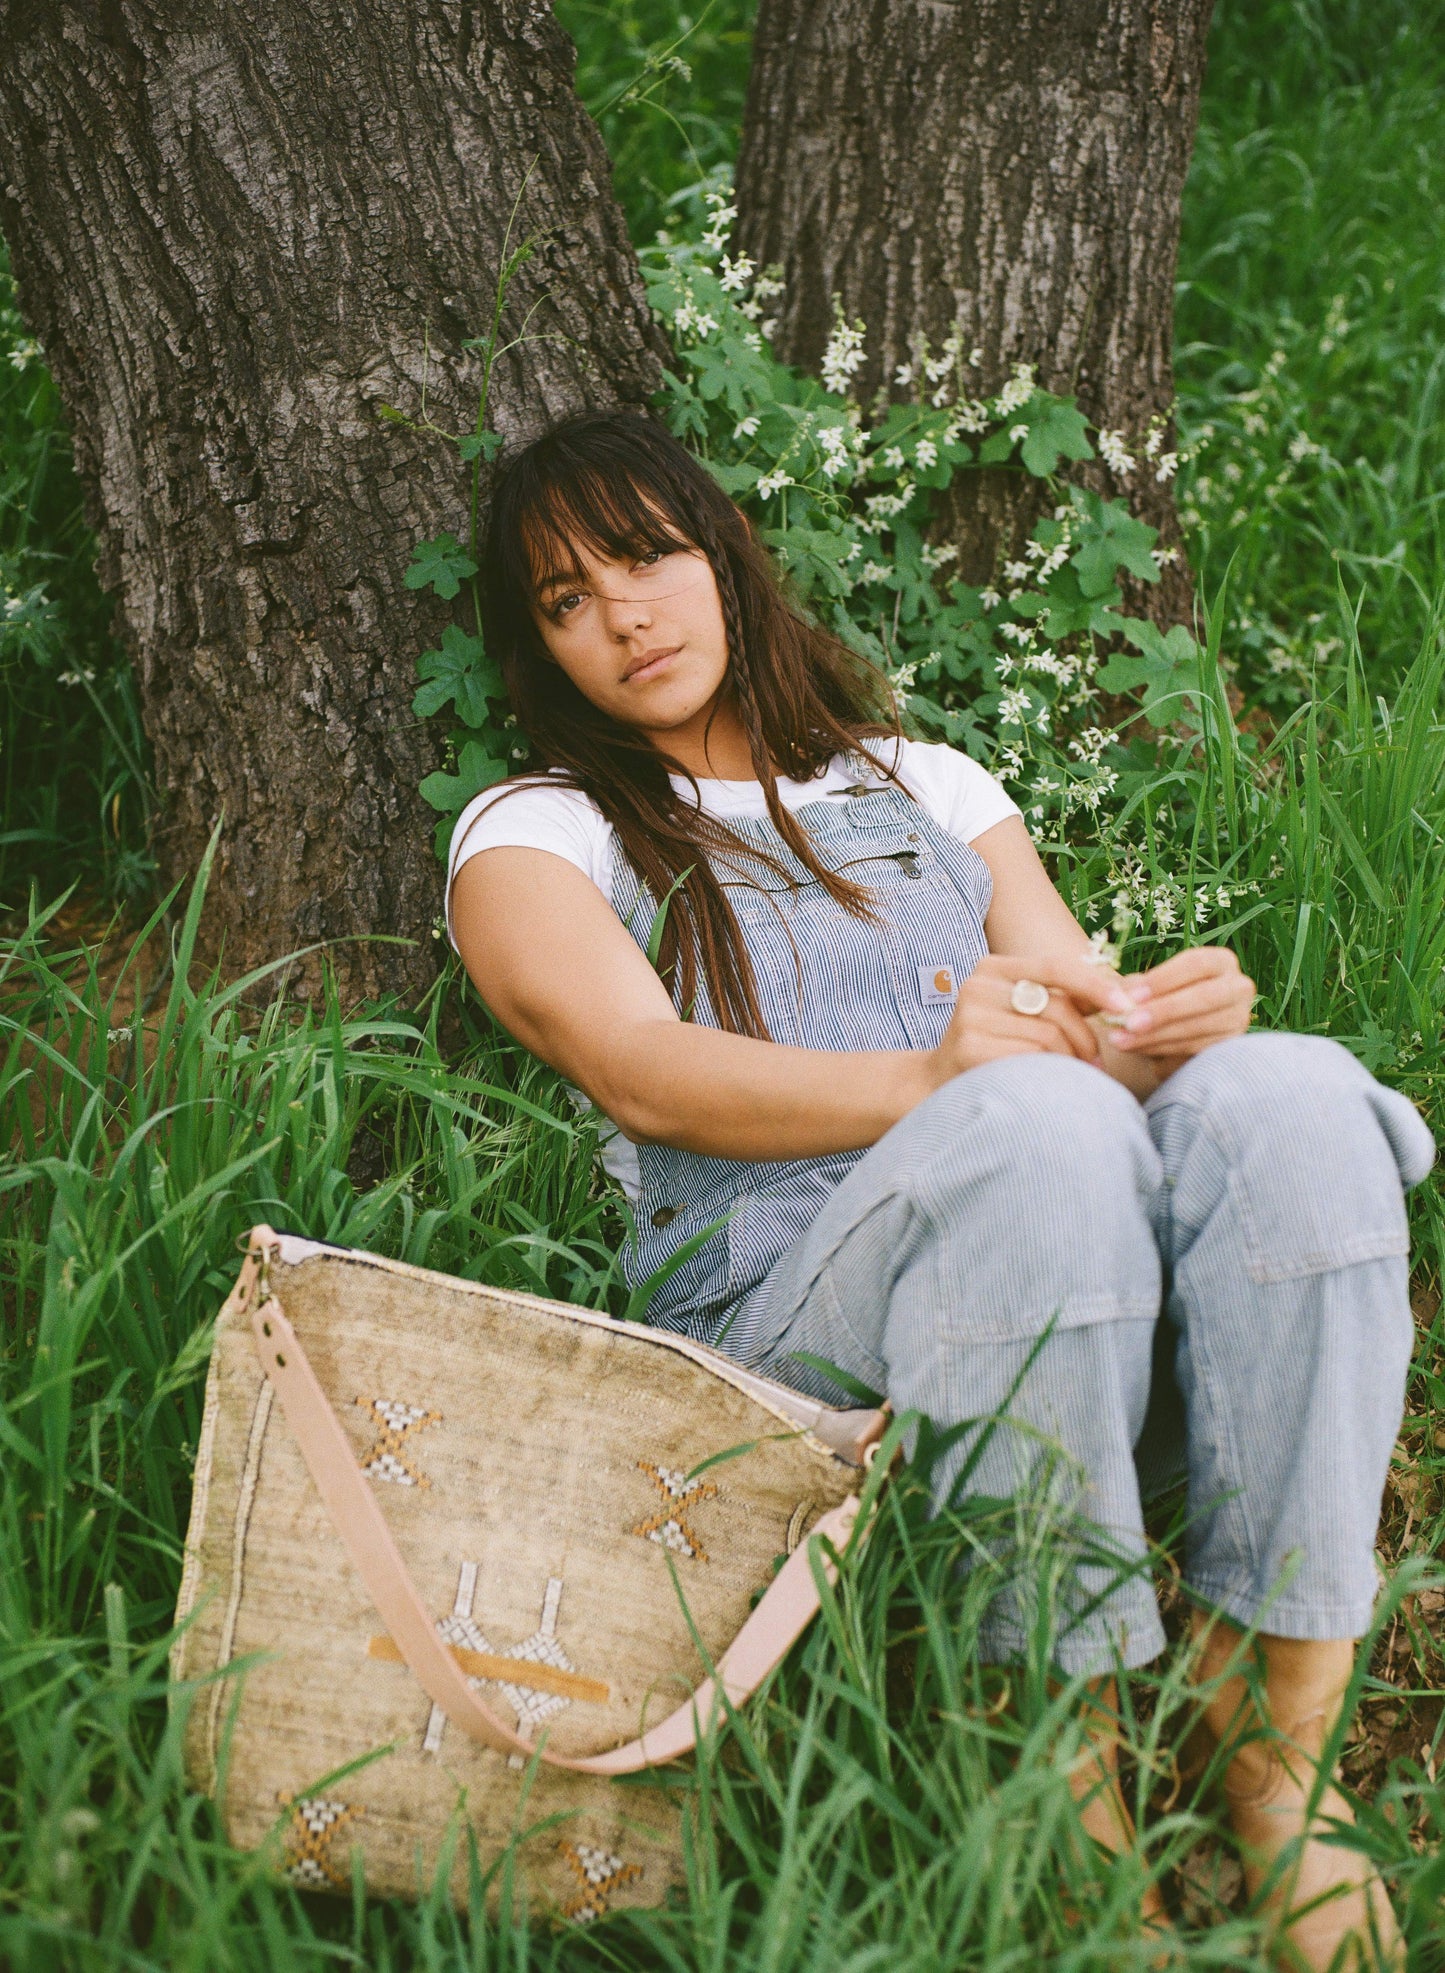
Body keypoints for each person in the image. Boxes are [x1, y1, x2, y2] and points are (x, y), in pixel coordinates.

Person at [446, 409, 1434, 1964]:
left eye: (644, 555)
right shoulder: (541, 827)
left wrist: (1160, 1030)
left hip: (1069, 1307)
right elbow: (638, 1065)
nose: (622, 613)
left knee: (1291, 1091)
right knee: (1027, 1123)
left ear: (722, 555)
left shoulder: (922, 779)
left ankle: (1269, 1749)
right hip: (794, 1363)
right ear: (539, 649)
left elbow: (1070, 1014)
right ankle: (1059, 1772)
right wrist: (939, 1082)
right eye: (565, 598)